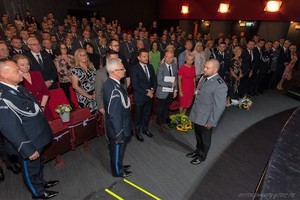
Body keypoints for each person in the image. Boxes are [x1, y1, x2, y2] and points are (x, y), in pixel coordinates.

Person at [0, 60, 59, 199]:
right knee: (30, 169)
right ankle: (37, 192)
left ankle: (41, 183)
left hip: (36, 136)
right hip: (27, 141)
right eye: (17, 71)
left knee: (38, 165)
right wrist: (27, 149)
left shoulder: (17, 87)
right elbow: (10, 128)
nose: (22, 72)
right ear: (4, 74)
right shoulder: (3, 97)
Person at [187, 59, 227, 165]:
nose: (204, 69)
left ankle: (202, 156)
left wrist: (211, 122)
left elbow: (219, 107)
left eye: (207, 68)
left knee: (205, 138)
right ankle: (197, 150)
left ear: (215, 70)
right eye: (204, 67)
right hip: (198, 113)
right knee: (198, 135)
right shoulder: (205, 78)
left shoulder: (220, 85)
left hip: (206, 118)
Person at [103, 58, 132, 178]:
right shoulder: (113, 88)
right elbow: (114, 114)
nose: (124, 70)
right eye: (122, 69)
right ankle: (117, 171)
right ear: (114, 71)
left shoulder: (113, 83)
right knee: (116, 149)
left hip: (121, 124)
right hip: (117, 128)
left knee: (119, 150)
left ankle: (119, 164)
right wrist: (119, 133)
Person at [131, 49, 156, 142]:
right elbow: (135, 85)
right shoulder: (134, 68)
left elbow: (154, 80)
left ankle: (145, 130)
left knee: (146, 115)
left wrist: (152, 90)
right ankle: (137, 133)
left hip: (150, 97)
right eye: (144, 56)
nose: (146, 58)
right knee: (138, 116)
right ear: (138, 58)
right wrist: (147, 92)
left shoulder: (150, 67)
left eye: (147, 56)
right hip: (140, 97)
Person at [71, 48, 98, 114]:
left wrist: (96, 92)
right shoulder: (75, 69)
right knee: (90, 117)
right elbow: (75, 86)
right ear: (77, 57)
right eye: (82, 55)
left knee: (100, 115)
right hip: (84, 97)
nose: (84, 56)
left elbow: (97, 79)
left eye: (85, 55)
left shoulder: (91, 66)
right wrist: (88, 96)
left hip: (96, 94)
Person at [156, 50, 178, 128]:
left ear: (173, 58)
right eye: (167, 57)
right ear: (164, 58)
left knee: (167, 107)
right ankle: (159, 122)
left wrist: (175, 90)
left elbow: (175, 78)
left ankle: (164, 120)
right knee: (161, 108)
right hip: (162, 92)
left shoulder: (174, 66)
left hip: (171, 91)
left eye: (171, 57)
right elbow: (159, 81)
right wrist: (170, 84)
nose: (169, 59)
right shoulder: (161, 67)